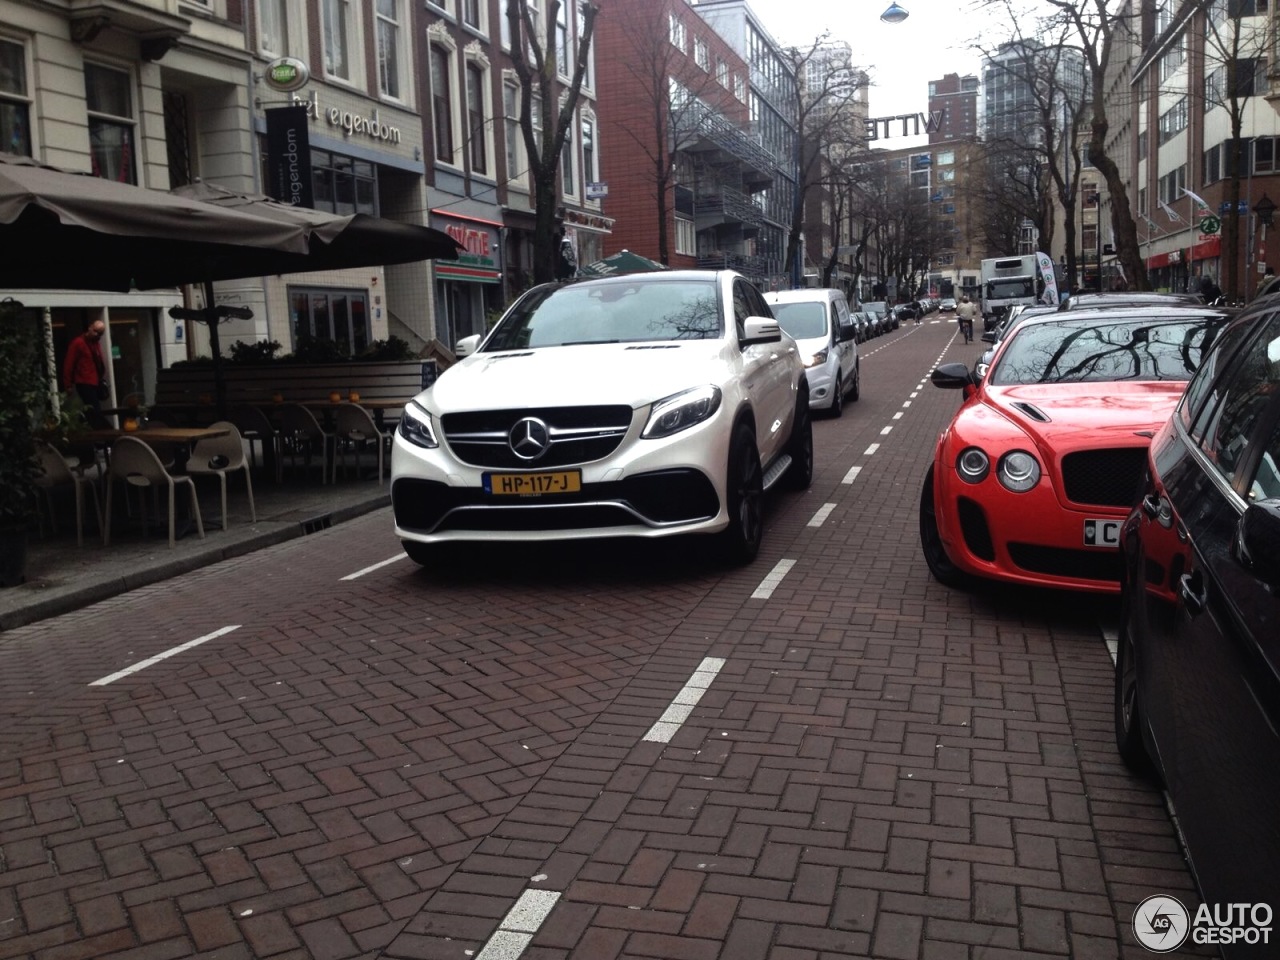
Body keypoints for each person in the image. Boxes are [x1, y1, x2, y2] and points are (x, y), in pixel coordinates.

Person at [63, 319, 109, 411]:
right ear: (90, 327)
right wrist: (68, 384)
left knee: (92, 408)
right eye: (95, 331)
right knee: (94, 408)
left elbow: (98, 361)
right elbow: (69, 364)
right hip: (84, 381)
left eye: (99, 334)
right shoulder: (78, 343)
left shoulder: (96, 344)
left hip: (94, 381)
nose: (96, 335)